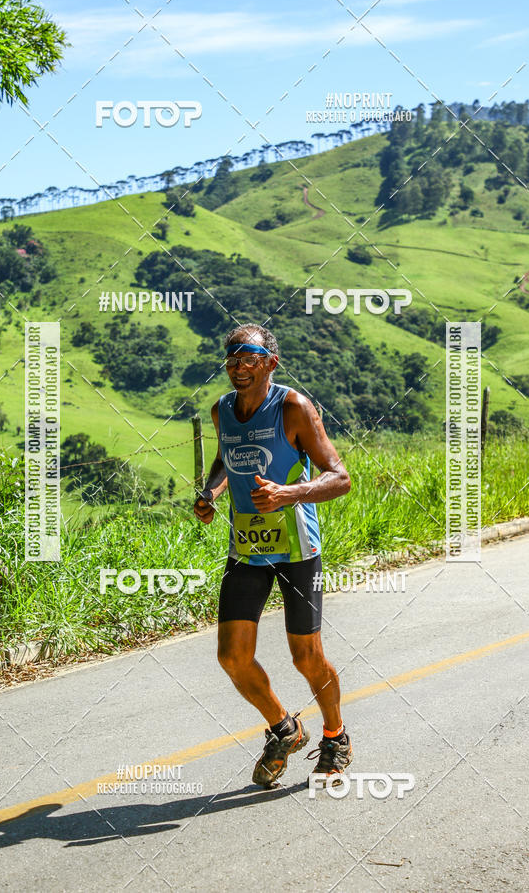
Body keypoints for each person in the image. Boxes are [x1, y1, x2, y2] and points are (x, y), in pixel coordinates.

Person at [194, 324, 352, 788]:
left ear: (270, 363)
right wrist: (212, 492)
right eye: (231, 358)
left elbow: (339, 477)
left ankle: (336, 736)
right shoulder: (222, 410)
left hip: (297, 549)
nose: (238, 367)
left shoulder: (292, 407)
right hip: (246, 548)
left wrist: (289, 493)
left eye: (248, 357)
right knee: (232, 657)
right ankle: (285, 728)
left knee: (306, 657)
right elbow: (226, 456)